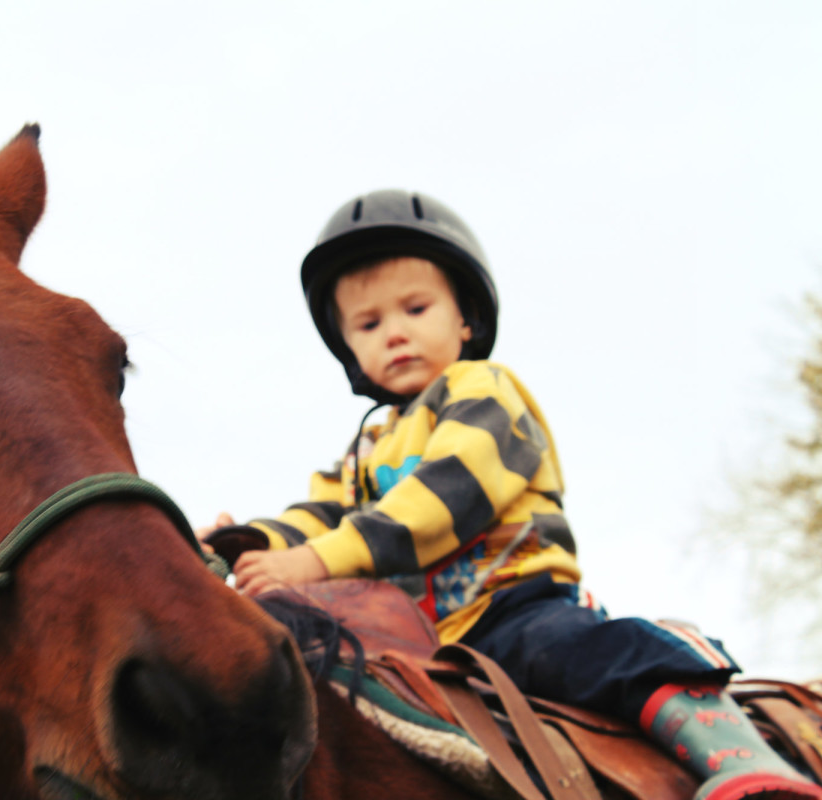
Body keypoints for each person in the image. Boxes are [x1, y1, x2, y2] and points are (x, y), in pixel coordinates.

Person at [198, 189, 822, 800]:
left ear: (464, 317)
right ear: (350, 348)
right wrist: (244, 543)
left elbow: (446, 496)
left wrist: (312, 562)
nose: (394, 333)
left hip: (512, 604)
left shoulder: (483, 391)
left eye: (414, 309)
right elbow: (318, 513)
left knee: (577, 653)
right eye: (369, 322)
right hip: (425, 640)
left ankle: (743, 758)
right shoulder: (368, 446)